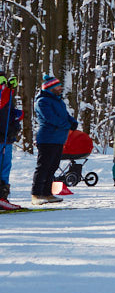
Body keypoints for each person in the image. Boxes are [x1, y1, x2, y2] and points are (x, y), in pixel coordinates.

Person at [31, 75, 77, 204]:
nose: (60, 88)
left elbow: (65, 115)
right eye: (57, 86)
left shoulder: (59, 101)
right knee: (43, 166)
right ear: (50, 88)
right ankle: (36, 194)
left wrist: (72, 122)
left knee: (53, 167)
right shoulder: (42, 101)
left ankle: (47, 193)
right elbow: (50, 118)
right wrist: (67, 125)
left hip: (58, 139)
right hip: (47, 138)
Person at [0, 71, 22, 201]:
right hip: (3, 136)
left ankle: (3, 195)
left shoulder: (7, 95)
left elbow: (9, 112)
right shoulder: (4, 94)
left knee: (5, 166)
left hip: (7, 137)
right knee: (3, 166)